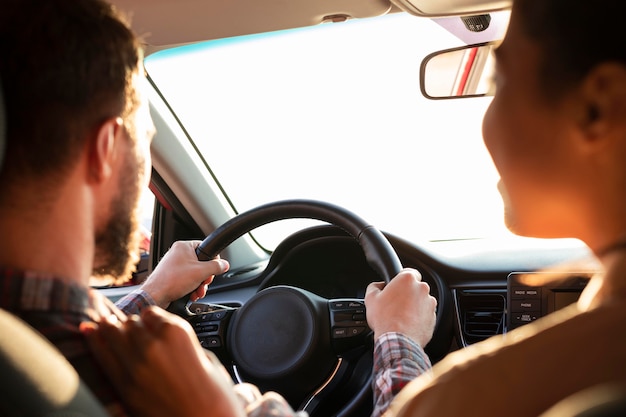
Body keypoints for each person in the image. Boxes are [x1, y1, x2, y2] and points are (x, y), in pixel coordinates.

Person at [85, 0, 626, 415]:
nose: (486, 119)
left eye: (497, 79)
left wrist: (398, 335)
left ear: (599, 105)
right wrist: (153, 295)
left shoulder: (490, 389)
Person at [0, 0, 437, 416]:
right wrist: (399, 337)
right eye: (144, 145)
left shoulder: (38, 346)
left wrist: (152, 294)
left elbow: (55, 335)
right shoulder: (159, 394)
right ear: (107, 149)